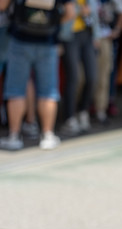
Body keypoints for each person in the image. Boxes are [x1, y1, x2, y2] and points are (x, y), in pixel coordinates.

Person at [0, 0, 75, 150]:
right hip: (48, 41)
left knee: (16, 90)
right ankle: (47, 134)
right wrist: (54, 23)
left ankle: (14, 136)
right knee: (48, 91)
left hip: (20, 39)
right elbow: (71, 12)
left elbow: (2, 5)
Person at [60, 0, 100, 136]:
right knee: (73, 77)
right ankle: (69, 118)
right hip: (69, 36)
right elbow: (60, 12)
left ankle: (83, 111)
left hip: (87, 35)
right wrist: (78, 10)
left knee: (92, 77)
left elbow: (93, 13)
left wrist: (97, 35)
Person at [93, 0, 122, 123]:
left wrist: (117, 30)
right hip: (85, 37)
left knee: (104, 75)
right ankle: (82, 110)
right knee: (82, 77)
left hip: (104, 38)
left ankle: (101, 109)